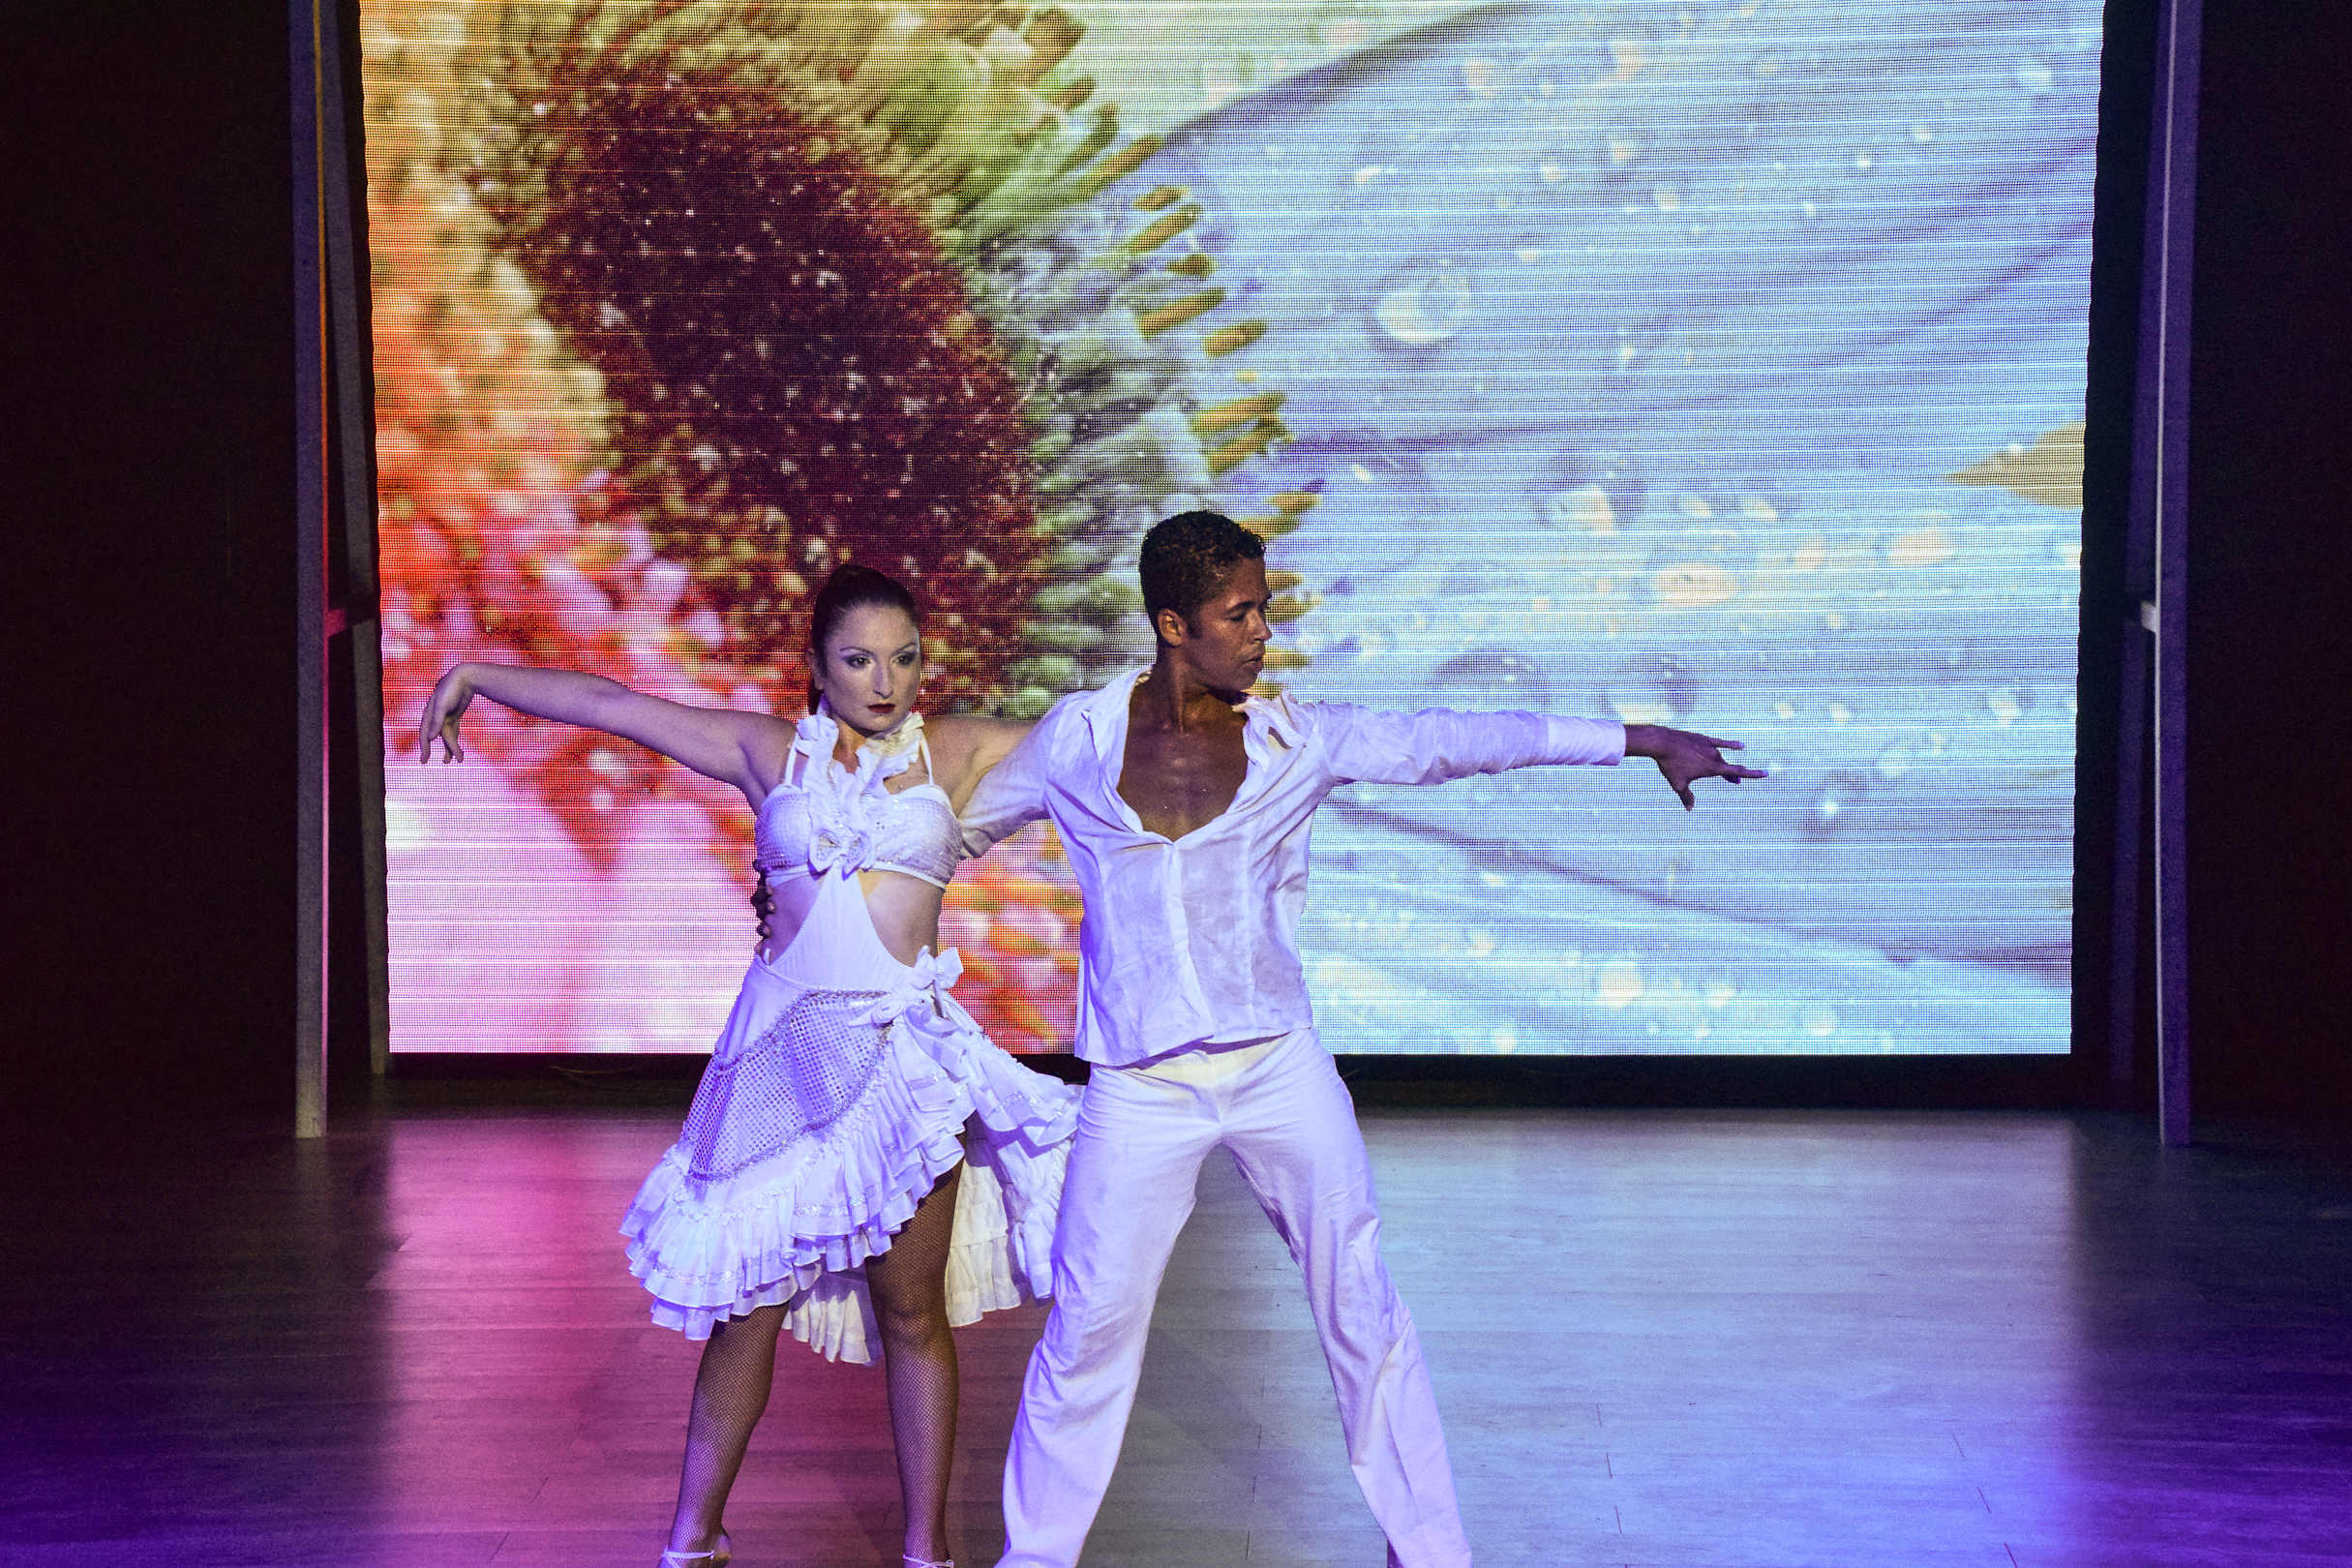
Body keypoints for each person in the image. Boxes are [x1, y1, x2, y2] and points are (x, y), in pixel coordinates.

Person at [956, 510, 1765, 1568]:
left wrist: (1639, 739)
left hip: (1276, 1069)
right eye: (1240, 614)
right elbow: (951, 832)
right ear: (1172, 625)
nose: (1264, 632)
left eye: (1264, 609)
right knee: (1086, 1331)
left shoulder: (1303, 739)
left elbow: (1455, 740)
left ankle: (1430, 1550)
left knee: (1361, 1306)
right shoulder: (1076, 739)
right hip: (1138, 1088)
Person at [416, 563, 1076, 1568]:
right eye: (858, 659)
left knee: (912, 1314)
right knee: (744, 1313)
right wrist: (474, 674)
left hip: (901, 1067)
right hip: (778, 1064)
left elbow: (1109, 739)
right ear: (816, 663)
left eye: (903, 659)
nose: (884, 681)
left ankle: (927, 1551)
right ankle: (693, 1538)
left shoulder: (957, 750)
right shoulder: (769, 752)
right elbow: (613, 705)